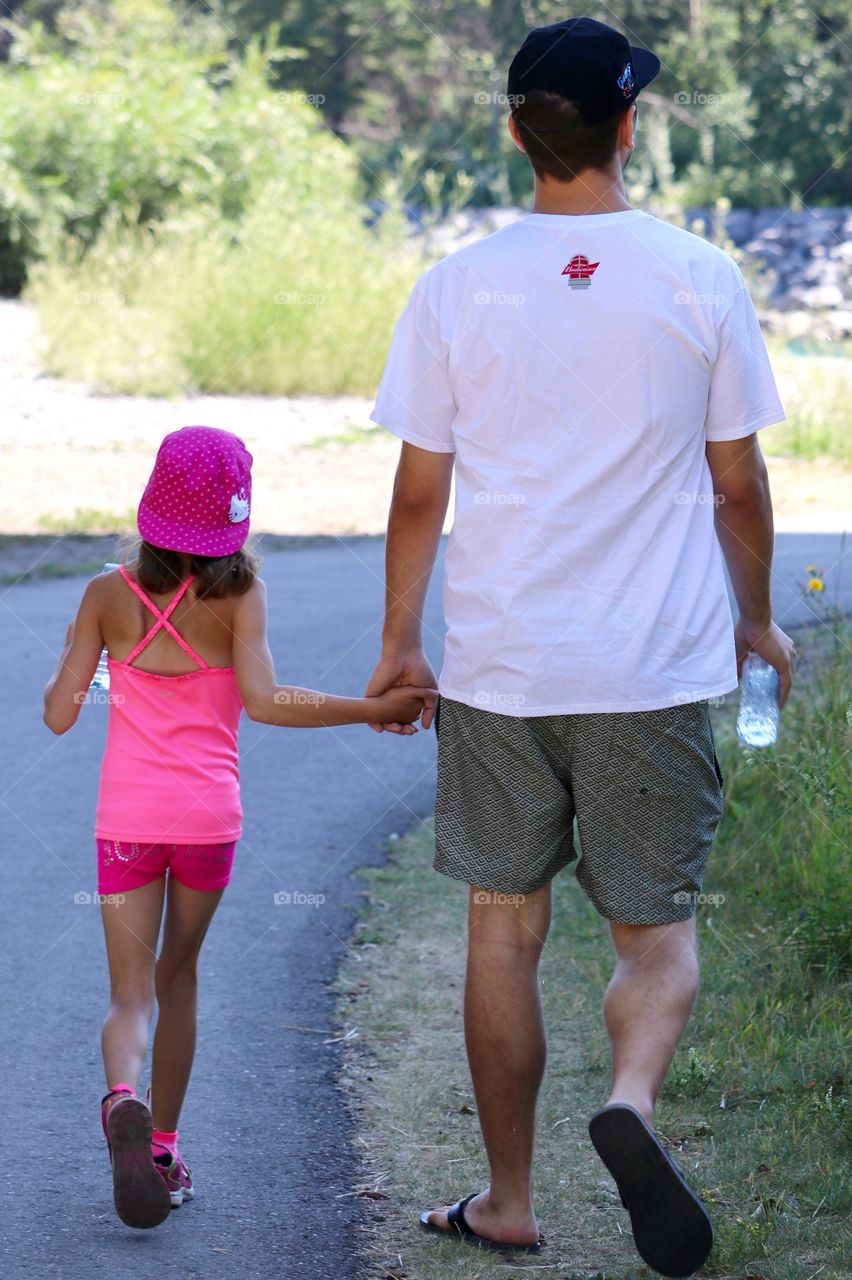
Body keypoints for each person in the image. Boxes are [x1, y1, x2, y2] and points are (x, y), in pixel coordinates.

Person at [365, 16, 796, 1278]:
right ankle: (635, 1103)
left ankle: (507, 1198)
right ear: (625, 127)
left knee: (501, 931)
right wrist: (756, 614)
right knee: (654, 937)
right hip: (651, 669)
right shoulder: (700, 275)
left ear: (516, 135)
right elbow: (739, 485)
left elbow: (414, 495)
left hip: (501, 665)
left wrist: (401, 641)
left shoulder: (455, 286)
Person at [43, 425, 435, 1231]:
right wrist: (372, 711)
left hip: (126, 820)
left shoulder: (106, 592)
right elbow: (265, 701)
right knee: (177, 978)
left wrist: (77, 658)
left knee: (128, 992)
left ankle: (122, 1096)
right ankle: (160, 1149)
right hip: (208, 823)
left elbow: (57, 715)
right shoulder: (242, 596)